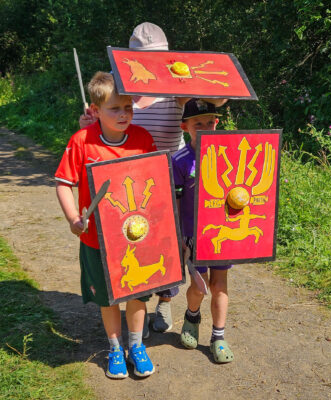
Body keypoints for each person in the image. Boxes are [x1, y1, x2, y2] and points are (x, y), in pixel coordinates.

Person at [79, 22, 227, 336]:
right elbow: (102, 125)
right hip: (129, 183)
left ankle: (164, 301)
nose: (150, 65)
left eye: (156, 58)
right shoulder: (120, 93)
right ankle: (139, 311)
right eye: (143, 59)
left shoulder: (175, 93)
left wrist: (194, 83)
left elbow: (217, 101)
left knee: (166, 246)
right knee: (134, 245)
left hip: (168, 179)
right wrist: (87, 123)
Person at [56, 71, 156, 379]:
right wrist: (74, 218)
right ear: (95, 111)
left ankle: (136, 346)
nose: (124, 113)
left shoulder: (142, 139)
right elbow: (63, 183)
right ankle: (115, 347)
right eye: (115, 108)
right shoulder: (82, 141)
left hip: (136, 237)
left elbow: (154, 183)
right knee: (108, 296)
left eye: (128, 106)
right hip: (97, 239)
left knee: (138, 292)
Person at [172, 99, 234, 363]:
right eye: (199, 123)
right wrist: (178, 240)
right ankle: (192, 315)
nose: (206, 127)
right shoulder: (179, 161)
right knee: (199, 287)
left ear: (217, 123)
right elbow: (175, 203)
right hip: (192, 235)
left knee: (219, 285)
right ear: (185, 126)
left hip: (220, 232)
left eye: (210, 121)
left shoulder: (228, 157)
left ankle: (218, 337)